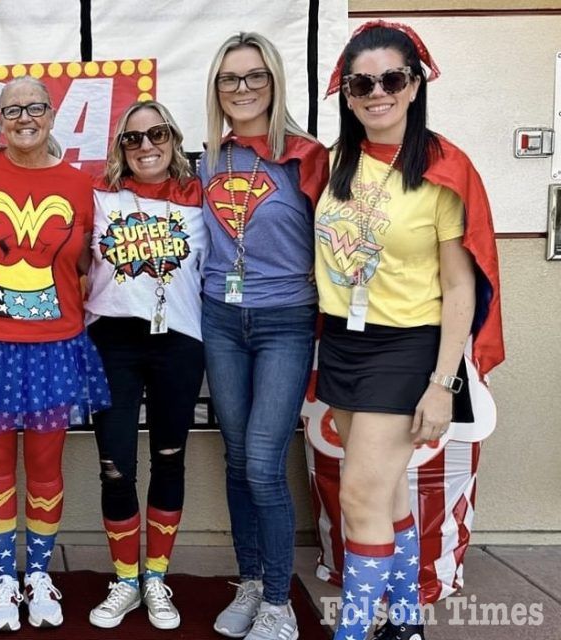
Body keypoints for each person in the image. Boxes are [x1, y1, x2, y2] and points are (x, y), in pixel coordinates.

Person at [316, 21, 503, 640]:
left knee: (357, 499)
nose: (377, 92)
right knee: (387, 493)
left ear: (415, 84)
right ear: (347, 94)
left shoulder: (443, 169)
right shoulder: (337, 161)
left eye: (391, 78)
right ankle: (404, 622)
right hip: (344, 340)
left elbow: (460, 287)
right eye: (361, 82)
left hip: (406, 347)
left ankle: (355, 631)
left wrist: (442, 383)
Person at [0, 75, 110, 632]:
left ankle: (38, 574)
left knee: (45, 468)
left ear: (51, 113)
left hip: (54, 346)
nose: (24, 117)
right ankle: (4, 578)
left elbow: (91, 264)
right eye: (11, 108)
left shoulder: (79, 183)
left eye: (34, 107)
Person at [199, 33, 329, 640]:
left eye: (255, 77)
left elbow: (346, 234)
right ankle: (250, 582)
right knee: (236, 455)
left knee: (263, 463)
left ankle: (279, 602)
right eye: (230, 79)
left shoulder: (306, 157)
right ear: (216, 90)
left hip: (285, 321)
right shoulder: (207, 158)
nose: (243, 89)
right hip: (221, 320)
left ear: (275, 82)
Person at [84, 100, 206, 631]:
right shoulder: (99, 200)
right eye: (133, 138)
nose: (146, 145)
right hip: (112, 343)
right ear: (120, 149)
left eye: (156, 134)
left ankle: (156, 578)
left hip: (178, 343)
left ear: (174, 140)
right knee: (114, 465)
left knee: (170, 458)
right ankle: (125, 580)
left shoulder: (201, 201)